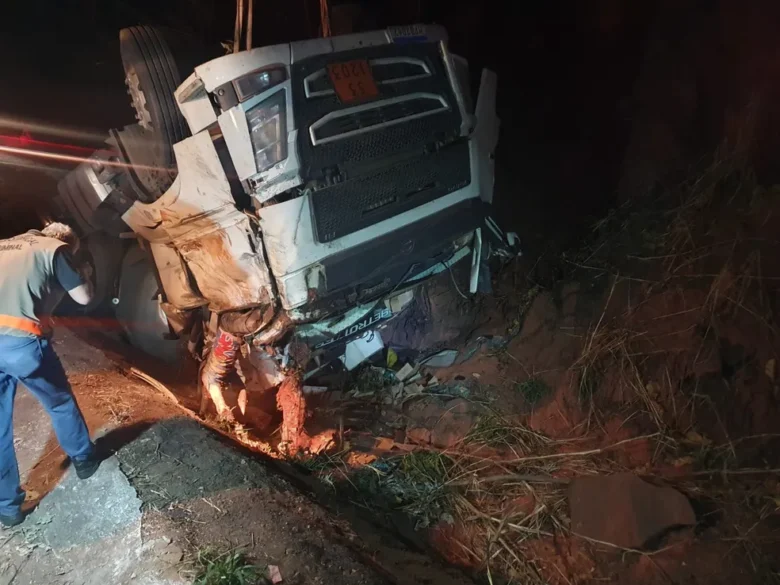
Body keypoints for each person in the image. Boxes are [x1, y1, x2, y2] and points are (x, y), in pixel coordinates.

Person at [0, 223, 100, 527]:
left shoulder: (5, 244)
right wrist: (86, 276)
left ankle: (7, 508)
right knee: (58, 401)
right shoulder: (53, 251)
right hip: (20, 344)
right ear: (67, 244)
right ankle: (83, 459)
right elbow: (83, 298)